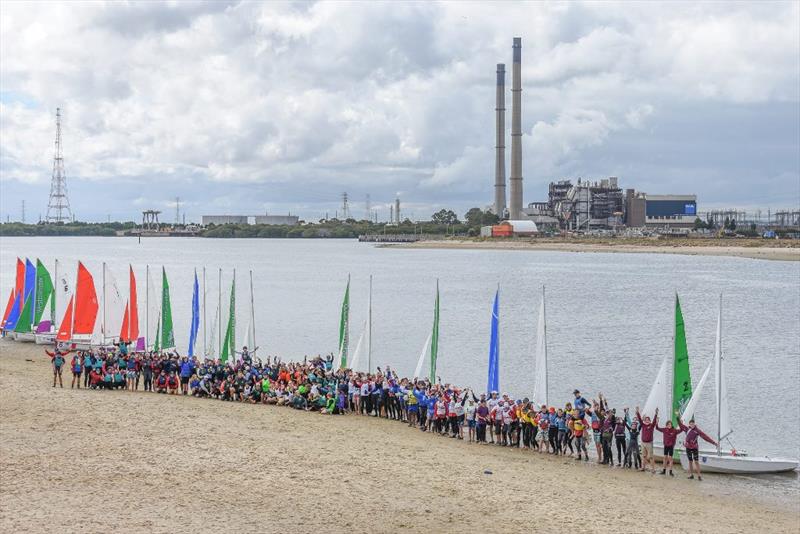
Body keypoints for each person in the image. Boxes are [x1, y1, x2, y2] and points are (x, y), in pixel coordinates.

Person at [678, 416, 717, 480]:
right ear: (689, 424)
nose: (692, 425)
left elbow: (705, 437)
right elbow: (680, 424)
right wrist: (677, 417)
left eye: (693, 424)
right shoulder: (687, 429)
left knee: (696, 461)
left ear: (694, 424)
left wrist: (714, 443)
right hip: (688, 447)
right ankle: (691, 475)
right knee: (690, 461)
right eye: (690, 424)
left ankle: (699, 476)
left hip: (695, 448)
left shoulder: (697, 430)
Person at [636, 407, 658, 473]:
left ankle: (653, 469)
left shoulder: (651, 425)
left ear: (649, 420)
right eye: (646, 419)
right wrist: (637, 412)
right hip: (643, 443)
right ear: (644, 420)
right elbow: (640, 419)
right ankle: (643, 467)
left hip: (649, 443)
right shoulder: (643, 425)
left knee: (651, 457)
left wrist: (656, 414)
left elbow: (654, 421)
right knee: (643, 456)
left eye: (648, 420)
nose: (647, 420)